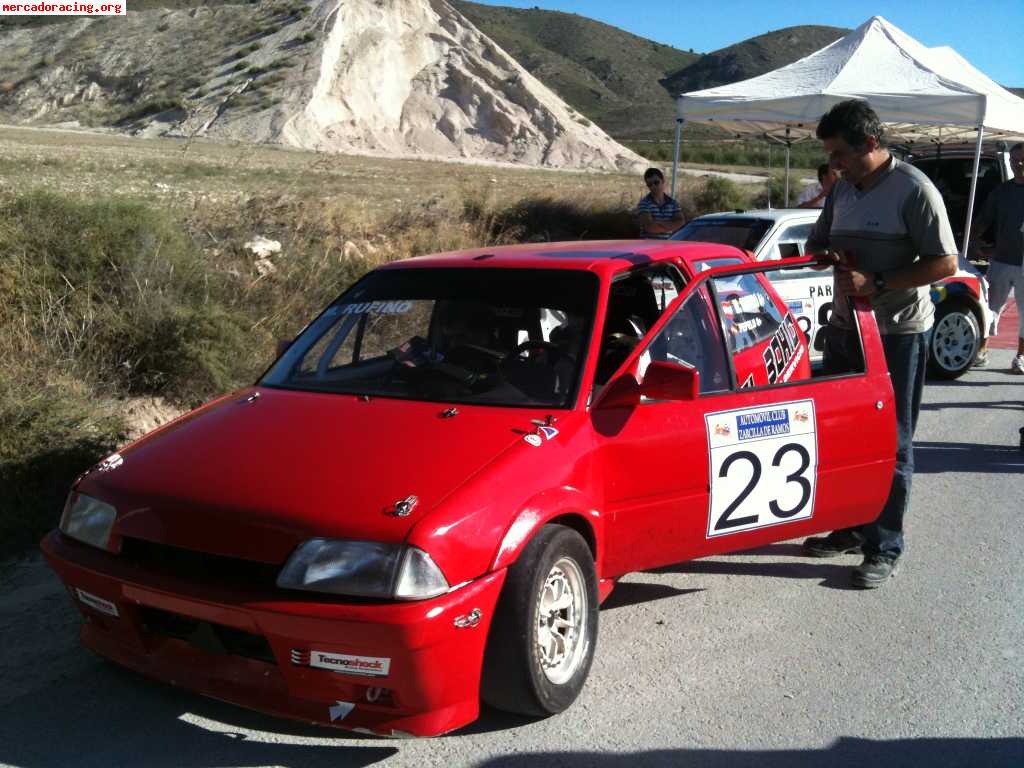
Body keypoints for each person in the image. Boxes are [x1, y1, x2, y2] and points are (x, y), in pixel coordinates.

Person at [800, 99, 957, 588]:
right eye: (830, 156)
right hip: (848, 331)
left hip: (897, 336)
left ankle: (885, 544)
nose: (835, 165)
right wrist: (819, 254)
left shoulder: (914, 189)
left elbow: (945, 264)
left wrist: (880, 281)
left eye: (841, 154)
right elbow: (821, 241)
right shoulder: (843, 189)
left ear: (871, 143)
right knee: (846, 438)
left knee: (893, 442)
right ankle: (851, 524)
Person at [967, 142, 1024, 374]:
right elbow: (984, 218)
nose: (1018, 164)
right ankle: (982, 350)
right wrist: (974, 242)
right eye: (1014, 161)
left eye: (1021, 160)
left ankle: (1020, 356)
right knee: (990, 308)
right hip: (1001, 260)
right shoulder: (1002, 190)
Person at [636, 168, 683, 238]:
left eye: (656, 182)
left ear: (663, 181)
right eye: (650, 184)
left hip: (668, 246)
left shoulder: (673, 203)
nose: (653, 186)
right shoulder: (644, 204)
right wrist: (672, 225)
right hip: (649, 247)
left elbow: (681, 223)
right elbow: (650, 227)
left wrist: (658, 223)